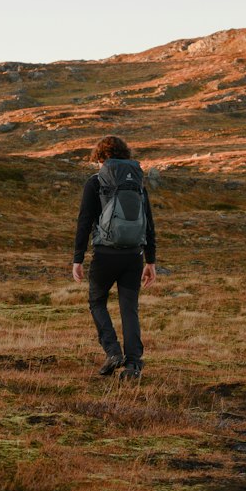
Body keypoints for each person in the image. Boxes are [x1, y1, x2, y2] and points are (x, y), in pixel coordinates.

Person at [72, 135, 157, 379]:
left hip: (105, 255)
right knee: (129, 309)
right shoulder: (137, 182)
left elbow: (84, 221)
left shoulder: (96, 182)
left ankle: (112, 352)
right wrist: (150, 261)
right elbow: (149, 223)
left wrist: (78, 257)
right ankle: (133, 364)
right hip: (134, 255)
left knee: (97, 302)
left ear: (101, 158)